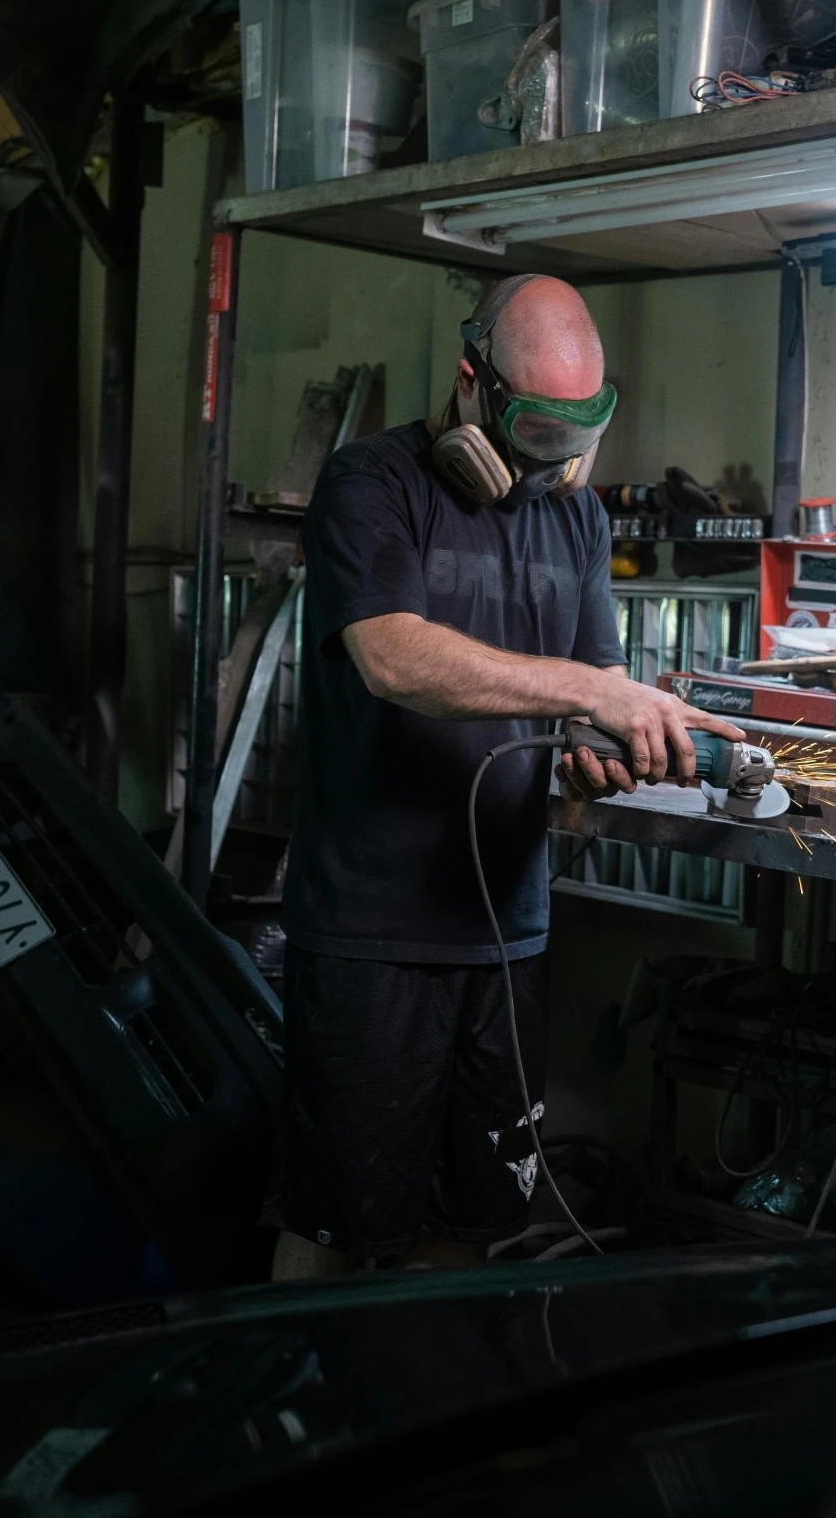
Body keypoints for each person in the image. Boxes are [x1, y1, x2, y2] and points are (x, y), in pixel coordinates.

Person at [274, 273, 744, 1279]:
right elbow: (392, 656)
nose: (554, 461)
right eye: (536, 432)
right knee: (339, 1232)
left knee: (472, 1226)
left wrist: (607, 742)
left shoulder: (574, 521)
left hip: (504, 930)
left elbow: (591, 692)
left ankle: (432, 1411)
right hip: (371, 933)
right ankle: (313, 1419)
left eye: (578, 432)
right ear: (472, 383)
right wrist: (587, 690)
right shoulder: (373, 483)